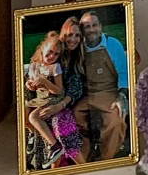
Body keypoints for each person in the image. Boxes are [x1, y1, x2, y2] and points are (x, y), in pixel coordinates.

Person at [73, 9, 129, 161]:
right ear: (82, 30)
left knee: (116, 120)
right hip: (88, 94)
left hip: (110, 93)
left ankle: (106, 158)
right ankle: (85, 153)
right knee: (76, 114)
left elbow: (124, 72)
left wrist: (122, 95)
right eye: (87, 26)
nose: (91, 29)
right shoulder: (79, 47)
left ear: (101, 26)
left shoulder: (112, 43)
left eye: (94, 25)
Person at [23, 31, 84, 164]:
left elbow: (60, 90)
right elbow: (31, 84)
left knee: (40, 119)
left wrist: (45, 82)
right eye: (50, 52)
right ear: (42, 48)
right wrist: (30, 85)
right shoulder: (34, 66)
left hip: (56, 100)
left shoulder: (56, 67)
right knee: (24, 113)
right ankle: (33, 134)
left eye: (56, 54)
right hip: (42, 100)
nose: (52, 56)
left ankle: (56, 148)